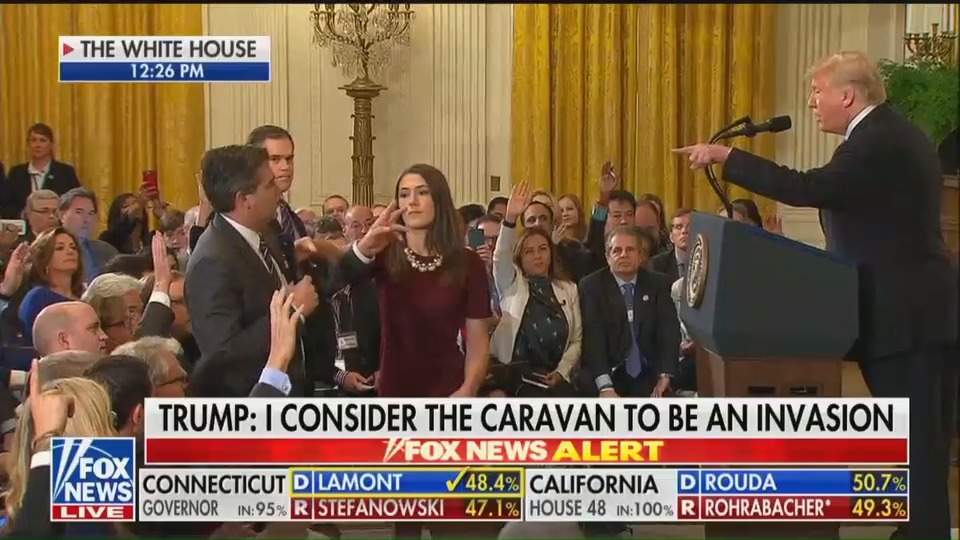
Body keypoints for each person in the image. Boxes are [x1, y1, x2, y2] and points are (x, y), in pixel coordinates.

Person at [675, 50, 958, 539]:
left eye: (816, 92)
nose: (811, 102)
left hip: (907, 319)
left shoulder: (876, 142)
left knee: (918, 447)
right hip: (915, 313)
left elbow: (808, 188)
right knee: (919, 444)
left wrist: (728, 157)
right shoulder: (887, 135)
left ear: (846, 95)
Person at [328, 163, 493, 539]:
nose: (412, 201)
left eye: (421, 192)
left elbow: (478, 339)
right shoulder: (386, 255)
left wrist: (468, 390)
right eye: (404, 194)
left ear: (439, 199)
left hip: (449, 388)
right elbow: (337, 277)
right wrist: (368, 242)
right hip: (399, 388)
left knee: (449, 510)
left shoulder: (465, 263)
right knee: (409, 510)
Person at [185, 145, 318, 397]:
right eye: (269, 185)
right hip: (252, 411)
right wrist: (293, 313)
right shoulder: (212, 260)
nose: (279, 190)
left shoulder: (265, 232)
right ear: (244, 199)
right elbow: (222, 356)